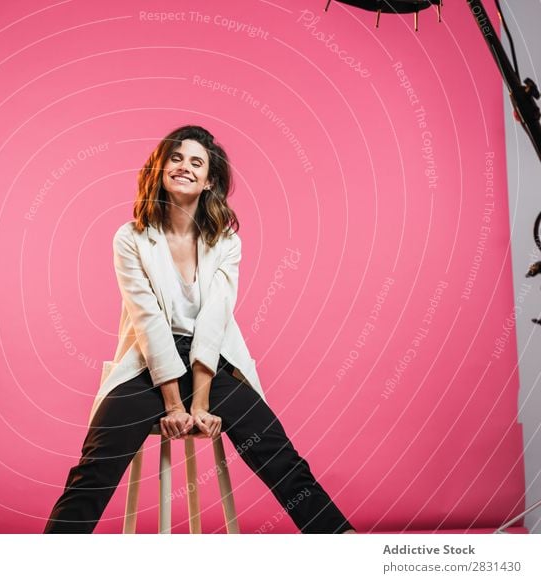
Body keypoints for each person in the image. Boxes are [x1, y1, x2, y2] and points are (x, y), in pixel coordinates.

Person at [44, 125, 355, 534]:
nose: (184, 167)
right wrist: (174, 405)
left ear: (209, 180)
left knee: (277, 452)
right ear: (160, 168)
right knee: (96, 463)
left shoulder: (226, 242)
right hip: (147, 367)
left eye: (196, 162)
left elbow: (214, 319)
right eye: (176, 157)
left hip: (210, 363)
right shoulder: (131, 237)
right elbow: (149, 320)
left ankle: (345, 543)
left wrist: (200, 404)